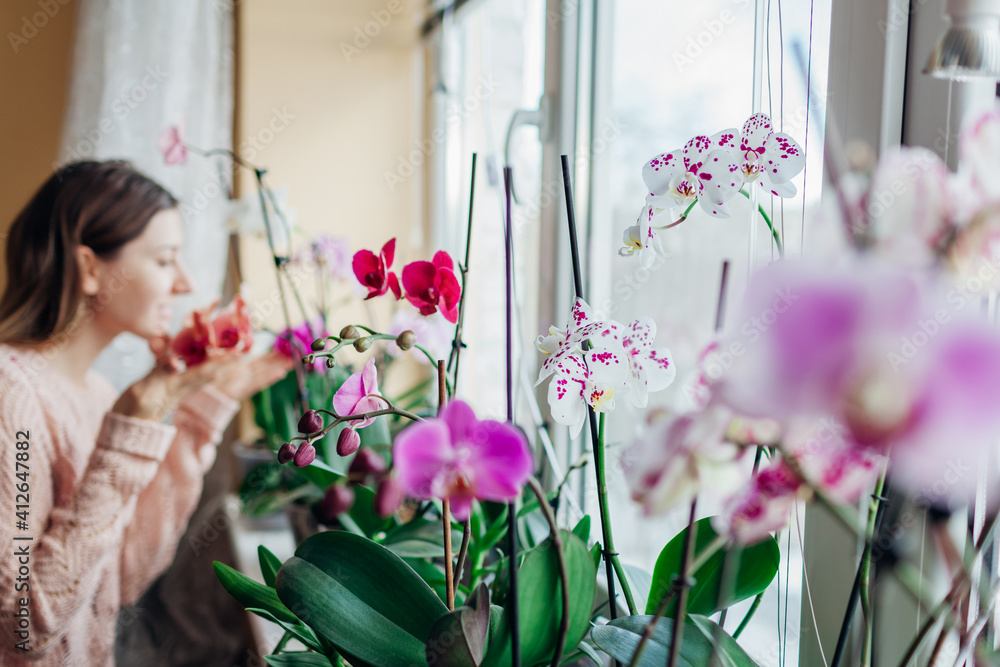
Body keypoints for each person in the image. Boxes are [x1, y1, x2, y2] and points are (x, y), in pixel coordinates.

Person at [0, 160, 293, 666]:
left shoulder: (96, 391)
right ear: (91, 269)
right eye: (164, 260)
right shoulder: (12, 395)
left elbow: (125, 576)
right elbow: (26, 626)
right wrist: (127, 433)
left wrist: (204, 409)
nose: (184, 283)